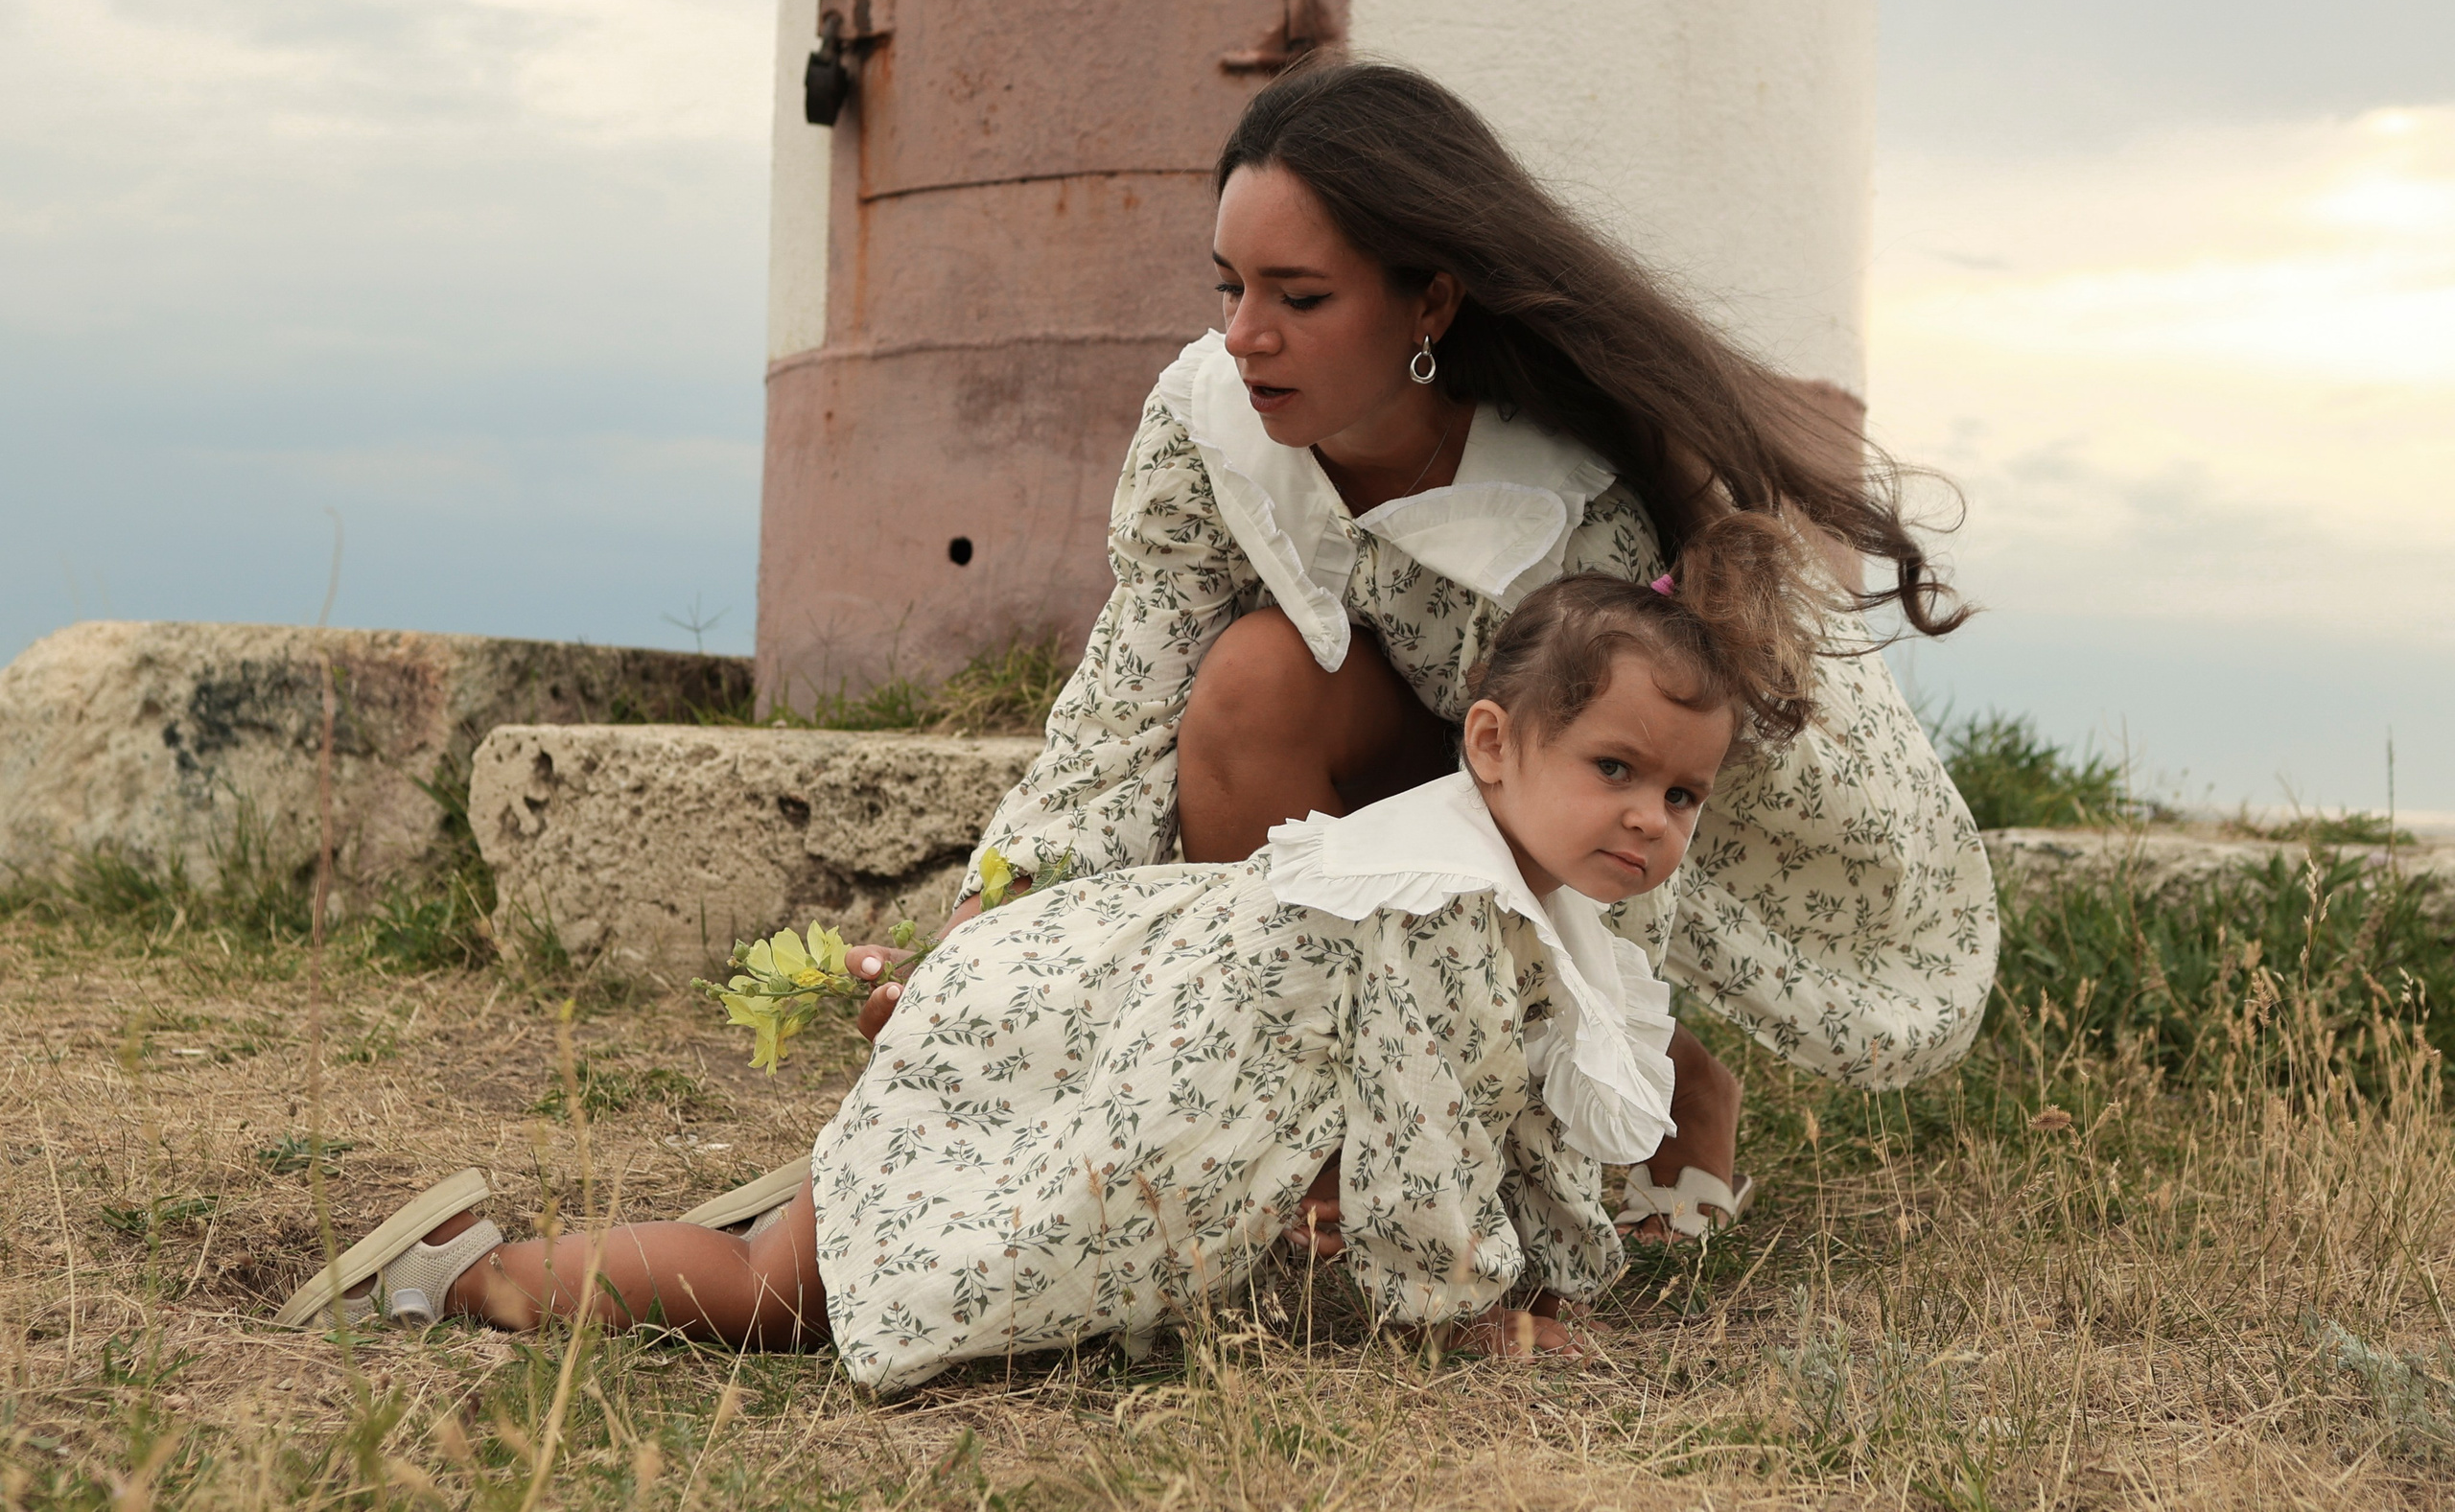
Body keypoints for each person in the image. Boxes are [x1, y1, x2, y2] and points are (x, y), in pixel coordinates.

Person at [841, 55, 1996, 1241]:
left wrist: (1609, 1072)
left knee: (1577, 796)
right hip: (1423, 749)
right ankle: (1323, 1117)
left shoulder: (1575, 508)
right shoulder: (1208, 430)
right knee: (1250, 679)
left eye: (1299, 298)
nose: (1246, 337)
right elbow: (1125, 705)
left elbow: (1620, 802)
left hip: (1567, 785)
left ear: (1428, 306)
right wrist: (990, 932)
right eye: (1228, 286)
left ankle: (1671, 1088)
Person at [276, 523, 1822, 1390]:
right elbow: (1424, 1145)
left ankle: (642, 1235)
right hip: (1043, 1058)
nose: (1649, 818)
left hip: (1050, 1037)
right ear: (1493, 742)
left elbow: (1511, 1114)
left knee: (826, 1247)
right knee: (780, 1295)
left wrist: (1561, 1263)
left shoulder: (1508, 893)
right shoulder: (1428, 899)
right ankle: (468, 1278)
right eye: (1614, 768)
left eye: (1682, 792)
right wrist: (1478, 1305)